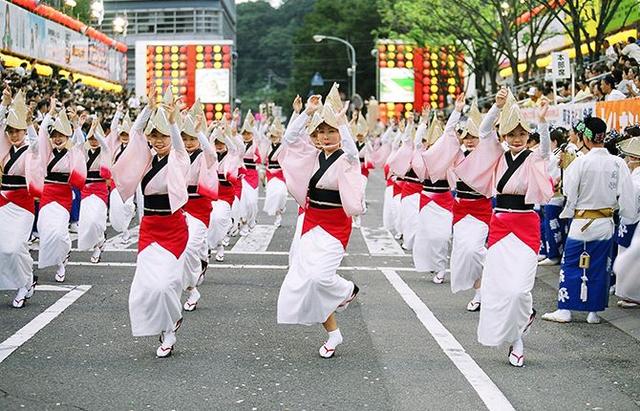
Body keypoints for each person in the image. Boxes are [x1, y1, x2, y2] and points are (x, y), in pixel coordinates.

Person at [456, 89, 553, 367]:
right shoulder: (497, 156)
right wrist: (497, 108)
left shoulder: (533, 157)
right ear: (505, 137)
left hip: (525, 225)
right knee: (498, 289)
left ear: (527, 136)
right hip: (499, 226)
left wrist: (543, 121)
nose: (517, 139)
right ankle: (517, 342)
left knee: (519, 291)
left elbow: (545, 151)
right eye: (511, 135)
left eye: (522, 134)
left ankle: (525, 317)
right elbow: (484, 132)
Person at [277, 87, 365, 359]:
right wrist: (306, 113)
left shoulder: (348, 159)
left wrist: (342, 123)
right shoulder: (312, 155)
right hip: (310, 222)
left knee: (319, 277)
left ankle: (347, 289)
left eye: (331, 132)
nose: (325, 137)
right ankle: (333, 333)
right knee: (305, 280)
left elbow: (351, 150)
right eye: (320, 132)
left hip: (335, 225)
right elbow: (289, 140)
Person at [111, 88, 190, 358]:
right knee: (147, 286)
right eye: (154, 136)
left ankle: (172, 321)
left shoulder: (179, 159)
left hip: (174, 228)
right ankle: (167, 328)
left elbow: (179, 146)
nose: (158, 141)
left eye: (162, 136)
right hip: (150, 228)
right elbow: (134, 136)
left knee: (167, 284)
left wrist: (171, 122)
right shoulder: (144, 160)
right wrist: (147, 109)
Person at [542, 117, 636, 325]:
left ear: (585, 137)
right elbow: (627, 196)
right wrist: (627, 217)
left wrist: (569, 209)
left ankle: (565, 309)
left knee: (573, 264)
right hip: (606, 222)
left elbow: (569, 191)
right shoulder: (618, 162)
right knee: (599, 266)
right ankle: (593, 312)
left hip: (582, 222)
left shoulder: (580, 162)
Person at [440, 99, 494, 310]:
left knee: (474, 251)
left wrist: (496, 109)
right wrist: (456, 111)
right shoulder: (458, 155)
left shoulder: (488, 156)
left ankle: (496, 266)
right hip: (461, 210)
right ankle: (479, 293)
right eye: (466, 137)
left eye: (474, 137)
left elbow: (491, 136)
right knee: (464, 254)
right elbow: (447, 134)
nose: (470, 140)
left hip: (481, 209)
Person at [37, 100, 87, 283]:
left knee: (59, 232)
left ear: (67, 137)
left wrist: (75, 125)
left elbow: (80, 142)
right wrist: (50, 113)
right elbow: (42, 133)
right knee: (45, 230)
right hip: (47, 194)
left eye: (61, 135)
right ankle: (58, 259)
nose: (58, 138)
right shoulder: (47, 151)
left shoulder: (72, 151)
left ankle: (61, 261)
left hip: (63, 195)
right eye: (55, 135)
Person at [0, 89, 41, 308]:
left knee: (16, 247)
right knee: (2, 248)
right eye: (10, 131)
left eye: (18, 131)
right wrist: (5, 105)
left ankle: (25, 283)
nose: (14, 135)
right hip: (3, 201)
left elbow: (36, 145)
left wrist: (30, 124)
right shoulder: (5, 150)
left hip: (23, 204)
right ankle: (25, 280)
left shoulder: (30, 149)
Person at [180, 102, 218, 311]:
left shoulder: (206, 156)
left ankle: (192, 285)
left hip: (199, 208)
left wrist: (199, 132)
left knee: (189, 248)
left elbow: (211, 152)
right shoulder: (177, 154)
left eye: (191, 139)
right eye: (184, 138)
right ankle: (193, 284)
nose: (188, 142)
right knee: (183, 250)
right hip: (179, 208)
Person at [410, 111, 454, 284]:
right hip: (427, 200)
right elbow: (416, 144)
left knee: (442, 237)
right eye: (431, 144)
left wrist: (455, 113)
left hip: (444, 200)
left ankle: (442, 267)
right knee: (427, 235)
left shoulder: (448, 159)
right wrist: (423, 122)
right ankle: (433, 264)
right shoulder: (424, 158)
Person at [77, 118, 112, 263]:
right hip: (86, 190)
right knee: (87, 221)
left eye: (95, 138)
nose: (93, 141)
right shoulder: (84, 151)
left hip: (100, 189)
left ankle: (99, 244)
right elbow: (78, 142)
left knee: (96, 220)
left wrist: (96, 131)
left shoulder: (105, 150)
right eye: (90, 138)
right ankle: (98, 242)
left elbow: (103, 142)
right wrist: (78, 126)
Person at [614, 132, 640, 308]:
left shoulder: (636, 179)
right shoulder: (633, 176)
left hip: (633, 220)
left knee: (631, 256)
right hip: (629, 219)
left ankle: (632, 294)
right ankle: (627, 291)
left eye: (629, 158)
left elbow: (629, 199)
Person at [207, 124, 240, 264]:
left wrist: (224, 135)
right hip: (211, 193)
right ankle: (208, 246)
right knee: (210, 220)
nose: (219, 145)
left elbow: (233, 148)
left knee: (219, 219)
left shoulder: (231, 156)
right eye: (217, 143)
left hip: (226, 194)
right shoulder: (211, 155)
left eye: (222, 143)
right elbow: (207, 143)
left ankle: (219, 245)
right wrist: (213, 132)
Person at [262, 116, 287, 227]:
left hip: (281, 173)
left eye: (275, 136)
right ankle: (277, 215)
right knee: (273, 194)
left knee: (281, 193)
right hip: (270, 173)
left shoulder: (283, 147)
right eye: (272, 136)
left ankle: (281, 208)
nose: (274, 138)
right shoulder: (268, 146)